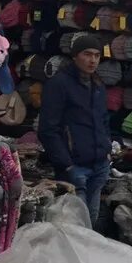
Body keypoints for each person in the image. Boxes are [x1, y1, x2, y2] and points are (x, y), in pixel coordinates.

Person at [39, 35, 111, 226]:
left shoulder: (97, 85)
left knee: (91, 220)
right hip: (75, 167)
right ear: (75, 56)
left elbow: (103, 120)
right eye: (87, 54)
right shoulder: (59, 84)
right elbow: (47, 129)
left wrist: (107, 149)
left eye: (97, 55)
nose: (93, 60)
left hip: (99, 164)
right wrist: (66, 164)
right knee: (76, 225)